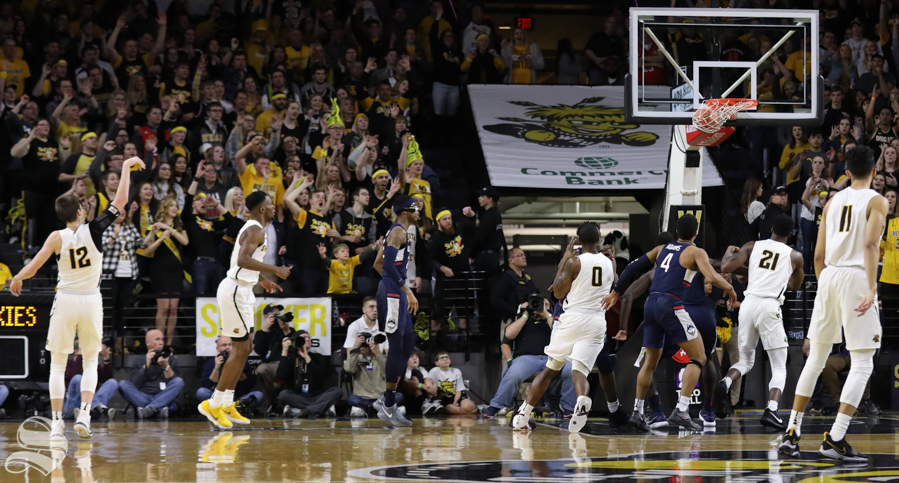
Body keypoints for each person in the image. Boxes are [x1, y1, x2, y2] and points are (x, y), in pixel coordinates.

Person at [9, 155, 143, 441]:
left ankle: (57, 424)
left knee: (57, 365)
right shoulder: (94, 229)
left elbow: (33, 267)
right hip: (91, 300)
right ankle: (84, 414)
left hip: (66, 300)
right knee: (91, 363)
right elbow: (119, 202)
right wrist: (126, 166)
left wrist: (17, 279)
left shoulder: (56, 237)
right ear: (81, 211)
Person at [779, 145, 888, 462]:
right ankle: (836, 438)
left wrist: (827, 283)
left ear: (847, 172)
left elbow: (817, 255)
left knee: (815, 358)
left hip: (827, 276)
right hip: (855, 276)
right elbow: (870, 244)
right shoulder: (877, 199)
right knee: (863, 362)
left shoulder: (831, 201)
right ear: (875, 172)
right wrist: (871, 288)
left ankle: (791, 432)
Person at [603, 215, 737, 432]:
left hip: (651, 304)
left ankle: (637, 412)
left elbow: (632, 267)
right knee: (700, 357)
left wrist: (615, 293)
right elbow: (712, 277)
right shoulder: (695, 251)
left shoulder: (662, 249)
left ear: (676, 232)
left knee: (650, 362)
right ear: (695, 233)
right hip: (671, 305)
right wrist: (730, 289)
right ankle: (682, 411)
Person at [198, 191, 290, 429]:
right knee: (239, 350)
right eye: (270, 204)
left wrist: (261, 279)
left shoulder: (255, 228)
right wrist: (275, 269)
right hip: (235, 291)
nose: (273, 207)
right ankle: (214, 403)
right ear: (261, 208)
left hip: (245, 289)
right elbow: (241, 260)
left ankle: (227, 402)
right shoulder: (255, 229)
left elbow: (244, 261)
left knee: (247, 348)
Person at [511, 223, 614, 433]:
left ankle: (524, 413)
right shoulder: (607, 262)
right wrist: (612, 259)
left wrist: (565, 259)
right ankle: (582, 399)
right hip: (597, 321)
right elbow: (615, 284)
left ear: (577, 240)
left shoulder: (574, 262)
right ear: (599, 239)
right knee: (580, 371)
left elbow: (557, 292)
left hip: (573, 318)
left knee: (550, 369)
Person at [720, 215, 804, 430]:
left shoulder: (752, 245)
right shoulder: (794, 256)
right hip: (769, 306)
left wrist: (728, 253)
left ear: (772, 228)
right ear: (791, 233)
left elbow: (726, 267)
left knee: (745, 362)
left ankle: (725, 383)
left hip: (748, 304)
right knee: (779, 366)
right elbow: (795, 286)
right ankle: (772, 410)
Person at [371, 195, 420, 427]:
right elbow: (387, 265)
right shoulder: (398, 232)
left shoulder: (398, 233)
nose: (419, 212)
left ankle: (386, 400)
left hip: (395, 289)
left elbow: (377, 264)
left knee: (407, 344)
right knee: (396, 346)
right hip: (393, 291)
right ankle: (388, 404)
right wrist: (405, 290)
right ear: (405, 211)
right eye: (415, 208)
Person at [484, 297, 576, 418]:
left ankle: (569, 409)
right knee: (514, 373)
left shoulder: (555, 321)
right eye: (537, 304)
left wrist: (547, 315)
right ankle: (496, 405)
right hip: (527, 358)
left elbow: (559, 332)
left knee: (571, 369)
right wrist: (525, 315)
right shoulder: (522, 322)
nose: (540, 306)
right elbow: (508, 335)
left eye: (545, 304)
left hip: (553, 357)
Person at [118, 329, 185, 419]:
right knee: (122, 384)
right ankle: (156, 409)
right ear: (148, 342)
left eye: (162, 339)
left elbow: (174, 385)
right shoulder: (139, 360)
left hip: (163, 395)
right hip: (143, 396)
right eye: (157, 339)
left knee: (179, 381)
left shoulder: (171, 359)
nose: (161, 342)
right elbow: (135, 383)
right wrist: (146, 365)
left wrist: (165, 365)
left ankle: (150, 409)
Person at [278, 330, 343, 419]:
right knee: (283, 394)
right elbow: (282, 375)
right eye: (304, 338)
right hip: (298, 397)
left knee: (337, 391)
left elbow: (320, 376)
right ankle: (321, 409)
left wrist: (306, 357)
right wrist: (284, 351)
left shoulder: (318, 357)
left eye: (309, 337)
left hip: (317, 396)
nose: (308, 339)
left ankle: (304, 411)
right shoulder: (291, 358)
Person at [197, 336, 263, 412]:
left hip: (238, 398)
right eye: (224, 345)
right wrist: (217, 367)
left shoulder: (242, 361)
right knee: (201, 392)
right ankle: (230, 409)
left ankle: (233, 408)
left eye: (230, 345)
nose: (227, 348)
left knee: (258, 395)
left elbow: (249, 385)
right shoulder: (210, 363)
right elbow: (207, 385)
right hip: (218, 398)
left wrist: (239, 369)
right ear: (217, 348)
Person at [64, 339, 118, 421]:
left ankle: (96, 408)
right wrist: (81, 354)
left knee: (112, 383)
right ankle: (99, 408)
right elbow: (76, 373)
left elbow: (107, 379)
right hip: (73, 405)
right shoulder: (68, 364)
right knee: (79, 378)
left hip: (89, 405)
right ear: (76, 351)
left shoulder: (92, 366)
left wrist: (106, 356)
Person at [345, 333, 395, 417]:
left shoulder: (380, 358)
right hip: (362, 397)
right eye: (362, 345)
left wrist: (378, 353)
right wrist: (355, 347)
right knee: (351, 399)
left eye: (364, 345)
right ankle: (376, 408)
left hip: (380, 397)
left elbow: (389, 373)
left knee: (398, 396)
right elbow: (348, 369)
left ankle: (369, 408)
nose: (362, 347)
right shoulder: (356, 358)